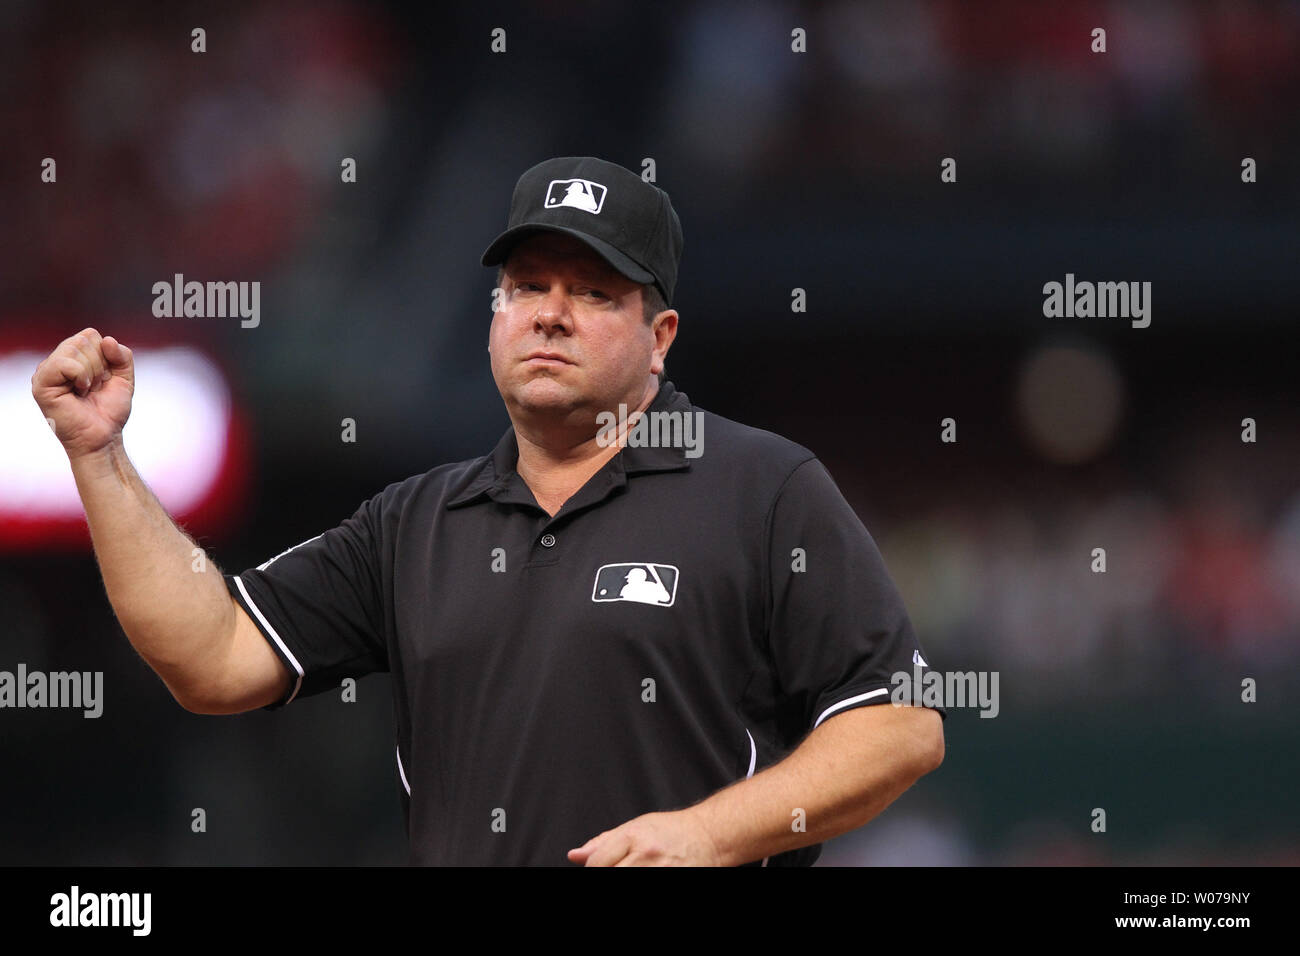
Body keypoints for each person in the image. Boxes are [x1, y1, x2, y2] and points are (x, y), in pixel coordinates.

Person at [31, 156, 945, 866]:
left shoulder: (762, 487)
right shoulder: (416, 521)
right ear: (496, 312)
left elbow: (902, 722)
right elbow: (214, 657)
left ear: (659, 337)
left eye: (593, 291)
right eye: (528, 285)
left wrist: (710, 834)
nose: (551, 314)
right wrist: (101, 457)